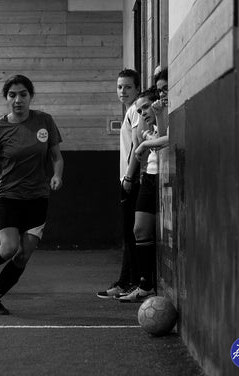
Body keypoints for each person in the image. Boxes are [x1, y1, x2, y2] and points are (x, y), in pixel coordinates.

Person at [0, 74, 64, 315]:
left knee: (23, 255)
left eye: (23, 94)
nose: (18, 99)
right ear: (6, 98)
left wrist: (57, 175)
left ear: (30, 96)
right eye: (12, 95)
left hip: (38, 198)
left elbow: (56, 156)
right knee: (9, 249)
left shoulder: (45, 121)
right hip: (8, 198)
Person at [119, 80, 168, 303]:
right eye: (139, 110)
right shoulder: (148, 127)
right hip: (148, 178)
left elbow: (166, 138)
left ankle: (147, 284)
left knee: (147, 231)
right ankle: (144, 284)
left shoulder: (163, 119)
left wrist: (144, 145)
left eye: (146, 107)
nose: (142, 113)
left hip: (163, 179)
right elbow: (148, 141)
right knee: (139, 230)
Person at [96, 69, 141, 299]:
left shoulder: (135, 111)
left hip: (131, 181)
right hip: (126, 179)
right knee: (128, 234)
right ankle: (125, 281)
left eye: (128, 87)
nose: (122, 91)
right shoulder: (130, 111)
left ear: (137, 89)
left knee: (132, 234)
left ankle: (133, 281)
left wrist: (130, 177)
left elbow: (136, 146)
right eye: (119, 87)